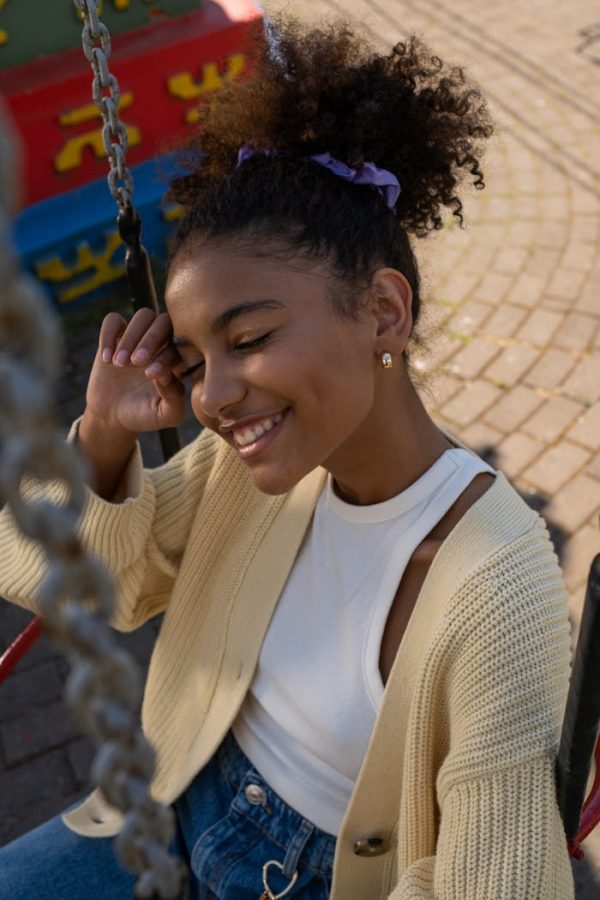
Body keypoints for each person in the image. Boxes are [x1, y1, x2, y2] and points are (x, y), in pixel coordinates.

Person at [0, 15, 574, 900]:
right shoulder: (255, 472)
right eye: (193, 361)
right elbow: (88, 587)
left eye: (252, 337)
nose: (212, 397)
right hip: (171, 797)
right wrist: (107, 435)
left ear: (385, 311)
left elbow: (493, 882)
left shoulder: (495, 586)